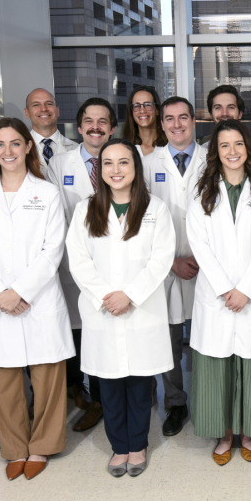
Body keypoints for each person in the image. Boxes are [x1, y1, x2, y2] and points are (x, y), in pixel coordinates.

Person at [0, 117, 74, 480]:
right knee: (3, 380)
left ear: (28, 147)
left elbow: (53, 249)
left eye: (14, 143)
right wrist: (0, 293)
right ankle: (14, 448)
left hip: (38, 298)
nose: (7, 151)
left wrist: (20, 292)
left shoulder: (47, 193)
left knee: (47, 378)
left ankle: (42, 446)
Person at [66, 138, 175, 477]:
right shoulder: (86, 210)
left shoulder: (155, 208)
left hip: (141, 308)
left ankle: (138, 445)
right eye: (108, 163)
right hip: (103, 310)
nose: (116, 170)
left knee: (139, 385)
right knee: (110, 385)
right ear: (99, 170)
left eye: (123, 162)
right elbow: (78, 260)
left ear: (135, 167)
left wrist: (130, 294)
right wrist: (105, 295)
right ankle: (119, 447)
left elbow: (161, 259)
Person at [186, 119, 251, 465]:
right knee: (217, 365)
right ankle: (224, 434)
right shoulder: (202, 194)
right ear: (215, 151)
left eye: (238, 144)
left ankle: (249, 431)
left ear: (248, 148)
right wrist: (227, 289)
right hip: (217, 295)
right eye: (224, 145)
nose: (232, 151)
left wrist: (246, 290)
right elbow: (200, 246)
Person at [47, 98, 115, 433]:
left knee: (105, 335)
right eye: (89, 121)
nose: (95, 127)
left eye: (102, 121)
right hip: (73, 265)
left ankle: (104, 400)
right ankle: (83, 392)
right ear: (79, 126)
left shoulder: (123, 158)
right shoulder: (59, 163)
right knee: (78, 333)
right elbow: (54, 215)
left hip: (114, 267)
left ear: (112, 128)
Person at [143, 96, 203, 437]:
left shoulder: (213, 159)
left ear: (193, 121)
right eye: (170, 118)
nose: (177, 124)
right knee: (169, 341)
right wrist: (170, 261)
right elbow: (140, 223)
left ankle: (207, 398)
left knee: (206, 341)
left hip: (207, 266)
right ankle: (176, 402)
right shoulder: (147, 164)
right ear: (161, 124)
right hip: (164, 267)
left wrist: (203, 258)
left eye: (183, 117)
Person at [24, 88, 78, 168]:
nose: (43, 109)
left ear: (57, 111)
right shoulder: (18, 151)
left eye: (49, 104)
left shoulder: (76, 149)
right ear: (27, 113)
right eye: (36, 105)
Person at [121, 86, 167, 155]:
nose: (142, 111)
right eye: (136, 106)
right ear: (131, 112)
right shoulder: (123, 148)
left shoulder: (170, 145)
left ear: (157, 110)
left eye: (148, 105)